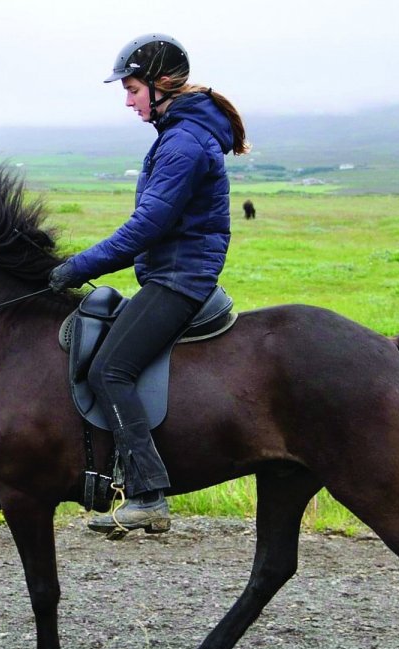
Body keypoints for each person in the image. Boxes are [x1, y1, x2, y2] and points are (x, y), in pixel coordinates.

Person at [48, 33, 249, 535]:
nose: (128, 98)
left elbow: (147, 226)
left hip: (180, 279)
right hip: (171, 272)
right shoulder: (179, 133)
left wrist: (77, 267)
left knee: (110, 370)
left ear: (160, 86)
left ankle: (147, 494)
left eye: (133, 88)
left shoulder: (182, 141)